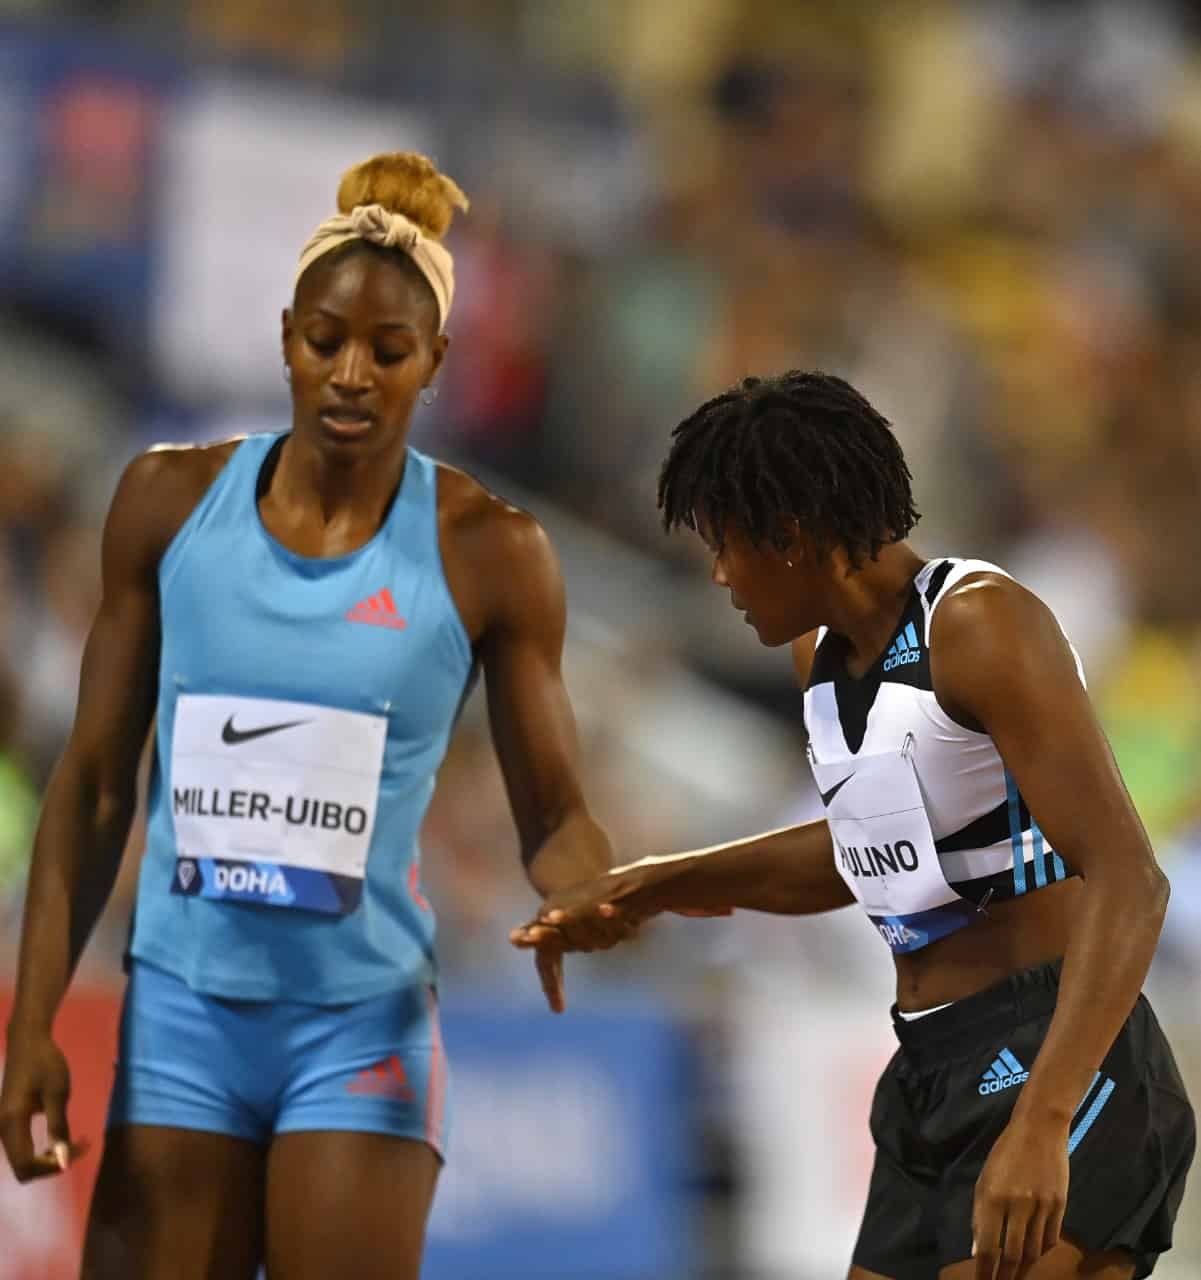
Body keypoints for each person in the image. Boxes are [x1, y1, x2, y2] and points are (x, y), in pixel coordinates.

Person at [0, 151, 624, 1280]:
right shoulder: (166, 503)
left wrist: (588, 890)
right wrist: (32, 1017)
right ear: (286, 333)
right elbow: (94, 781)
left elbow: (556, 814)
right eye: (325, 340)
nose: (350, 373)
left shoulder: (490, 552)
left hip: (359, 1024)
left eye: (388, 352)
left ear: (433, 361)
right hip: (181, 1009)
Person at [513, 371, 1195, 1280]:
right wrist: (652, 886)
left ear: (791, 538)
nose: (717, 574)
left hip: (1054, 1058)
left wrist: (1043, 1119)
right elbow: (863, 857)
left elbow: (1130, 879)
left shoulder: (982, 626)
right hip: (926, 1072)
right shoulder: (821, 659)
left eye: (726, 545)